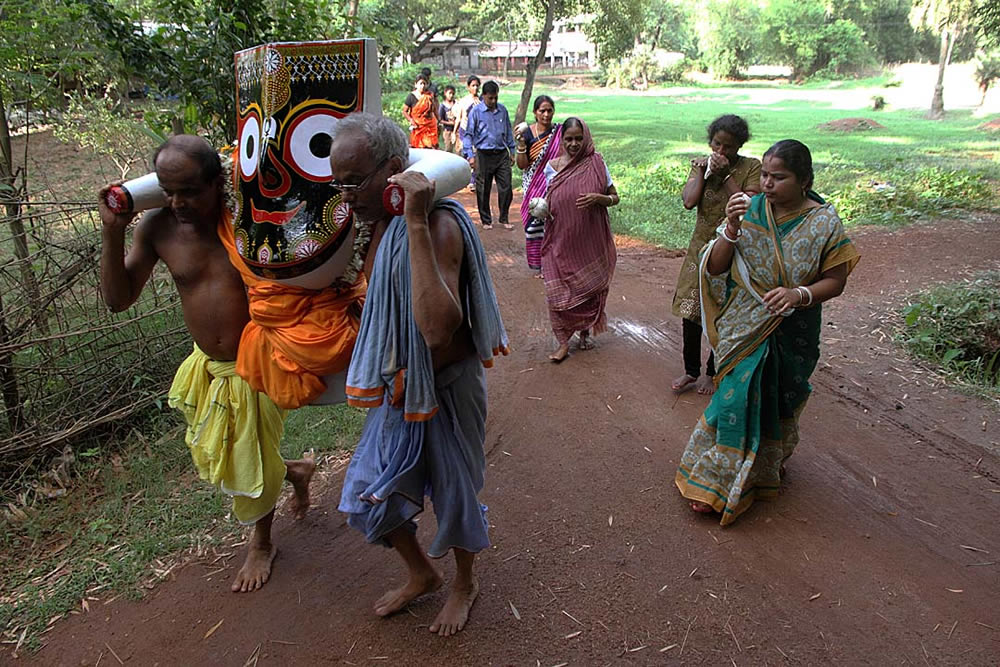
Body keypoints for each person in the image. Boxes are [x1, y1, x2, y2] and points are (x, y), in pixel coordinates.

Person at [98, 135, 314, 592]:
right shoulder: (156, 229)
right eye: (168, 191)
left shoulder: (252, 223)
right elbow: (118, 301)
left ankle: (261, 543)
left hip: (257, 360)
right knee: (238, 450)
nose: (178, 202)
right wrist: (113, 230)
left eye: (190, 191)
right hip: (207, 365)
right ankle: (294, 471)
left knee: (244, 454)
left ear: (218, 183)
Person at [332, 114, 508, 637]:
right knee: (366, 494)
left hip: (448, 389)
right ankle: (421, 574)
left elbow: (435, 331)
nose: (345, 197)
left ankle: (464, 584)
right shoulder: (374, 226)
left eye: (354, 181)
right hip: (400, 393)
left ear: (392, 171)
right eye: (337, 183)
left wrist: (412, 223)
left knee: (456, 496)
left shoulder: (438, 224)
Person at [674, 139, 860, 525]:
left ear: (804, 180)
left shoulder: (824, 223)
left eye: (779, 177)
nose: (768, 184)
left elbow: (836, 280)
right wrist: (731, 226)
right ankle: (715, 479)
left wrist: (798, 294)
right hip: (744, 324)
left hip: (794, 327)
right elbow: (715, 269)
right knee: (734, 398)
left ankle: (764, 464)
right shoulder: (750, 209)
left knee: (779, 398)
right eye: (764, 175)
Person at [672, 115, 761, 396]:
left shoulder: (751, 167)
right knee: (691, 309)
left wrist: (724, 176)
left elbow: (747, 206)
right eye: (717, 144)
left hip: (732, 247)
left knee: (722, 311)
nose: (721, 152)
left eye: (729, 147)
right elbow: (688, 202)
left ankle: (712, 372)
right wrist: (702, 172)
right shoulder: (701, 166)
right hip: (700, 247)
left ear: (740, 147)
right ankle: (690, 371)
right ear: (710, 141)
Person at [539, 117, 619, 363]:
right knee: (557, 291)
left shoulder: (596, 163)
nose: (574, 144)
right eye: (569, 139)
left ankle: (584, 333)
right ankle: (563, 342)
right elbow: (549, 200)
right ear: (561, 140)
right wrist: (540, 209)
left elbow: (615, 197)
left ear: (586, 138)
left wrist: (599, 198)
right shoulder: (552, 167)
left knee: (588, 288)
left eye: (578, 138)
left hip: (589, 240)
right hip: (559, 238)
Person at [515, 95, 561, 277]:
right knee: (535, 225)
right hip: (533, 186)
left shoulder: (559, 133)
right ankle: (539, 264)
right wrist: (520, 145)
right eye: (542, 110)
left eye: (550, 110)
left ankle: (553, 264)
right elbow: (522, 165)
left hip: (555, 185)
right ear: (535, 113)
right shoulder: (527, 134)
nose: (546, 114)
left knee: (554, 225)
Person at [462, 80, 515, 230]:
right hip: (483, 154)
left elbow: (508, 131)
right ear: (483, 96)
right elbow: (468, 135)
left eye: (495, 98)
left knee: (506, 187)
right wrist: (470, 155)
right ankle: (486, 220)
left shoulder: (502, 111)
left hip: (501, 154)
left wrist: (512, 150)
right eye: (490, 98)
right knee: (483, 187)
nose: (493, 101)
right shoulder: (476, 112)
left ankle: (504, 217)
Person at [455, 75, 481, 191]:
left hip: (477, 132)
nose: (475, 88)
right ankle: (464, 179)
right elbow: (459, 118)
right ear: (468, 87)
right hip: (465, 130)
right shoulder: (464, 101)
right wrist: (454, 133)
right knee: (466, 155)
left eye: (477, 86)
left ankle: (472, 181)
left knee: (475, 155)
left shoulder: (481, 101)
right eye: (473, 85)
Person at [402, 74, 439, 149]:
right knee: (419, 147)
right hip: (417, 126)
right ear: (416, 85)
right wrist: (411, 120)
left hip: (429, 126)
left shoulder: (429, 96)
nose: (422, 86)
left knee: (431, 146)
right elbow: (404, 112)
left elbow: (434, 109)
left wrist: (439, 120)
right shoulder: (411, 96)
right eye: (420, 83)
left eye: (424, 83)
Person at [438, 85, 459, 154]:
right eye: (450, 93)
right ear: (445, 93)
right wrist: (449, 123)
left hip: (457, 131)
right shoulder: (442, 106)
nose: (451, 95)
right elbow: (440, 120)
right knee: (448, 149)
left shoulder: (456, 104)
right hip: (447, 130)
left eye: (453, 93)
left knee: (458, 149)